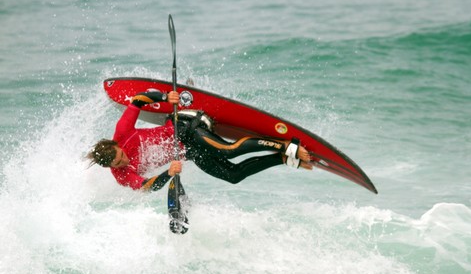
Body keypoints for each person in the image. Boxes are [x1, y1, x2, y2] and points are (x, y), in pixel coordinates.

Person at [87, 90, 312, 192]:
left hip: (183, 129)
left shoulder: (122, 131)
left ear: (116, 145)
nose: (124, 160)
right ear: (111, 168)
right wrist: (169, 173)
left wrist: (165, 97)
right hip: (189, 153)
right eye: (118, 163)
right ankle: (281, 158)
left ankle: (286, 145)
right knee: (233, 176)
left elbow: (138, 101)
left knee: (228, 150)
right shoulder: (123, 176)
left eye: (121, 155)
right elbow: (148, 186)